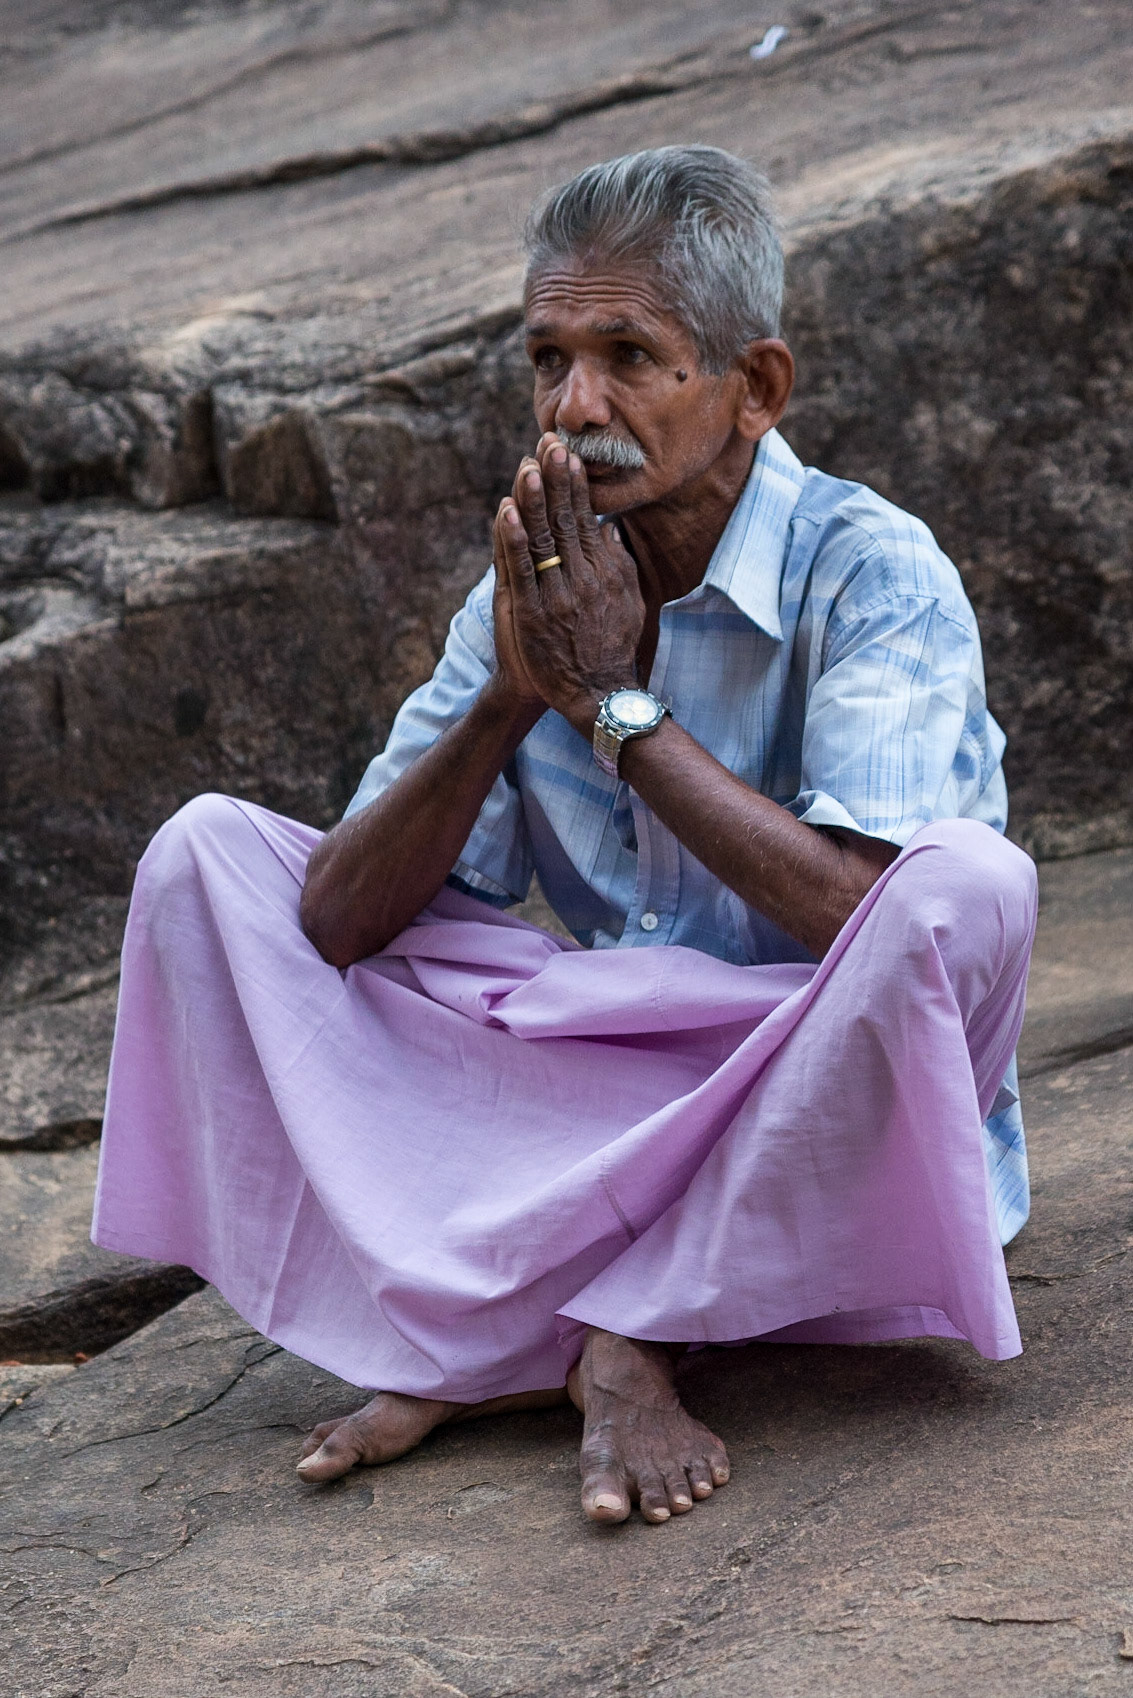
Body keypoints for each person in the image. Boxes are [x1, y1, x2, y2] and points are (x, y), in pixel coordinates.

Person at [93, 146, 1037, 1527]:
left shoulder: (868, 564)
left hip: (816, 1091)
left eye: (626, 355)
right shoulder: (535, 586)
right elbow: (340, 921)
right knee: (205, 856)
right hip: (604, 1096)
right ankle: (577, 1316)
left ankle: (606, 1331)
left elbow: (866, 914)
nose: (574, 404)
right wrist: (510, 689)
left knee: (967, 887)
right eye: (546, 359)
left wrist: (613, 707)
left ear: (752, 387)